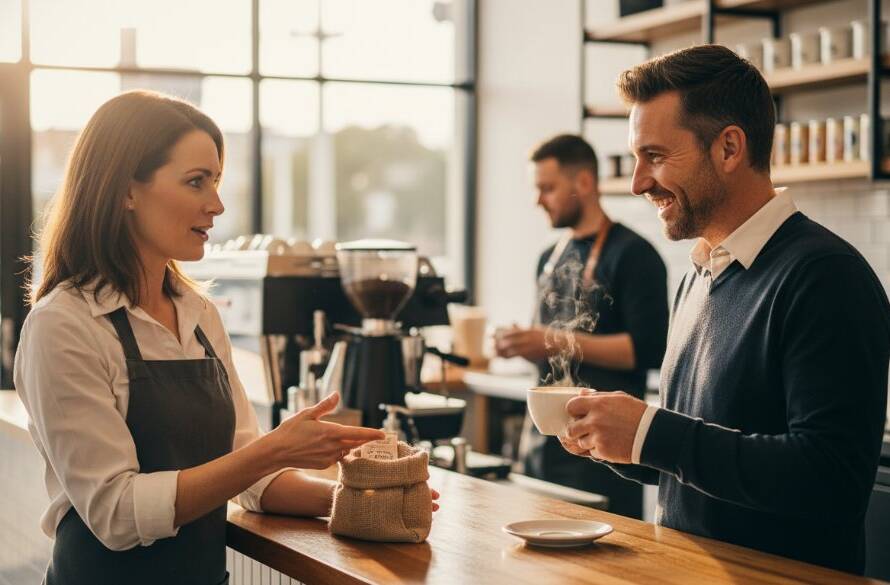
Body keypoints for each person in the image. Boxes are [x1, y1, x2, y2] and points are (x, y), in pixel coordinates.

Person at [14, 90, 438, 585]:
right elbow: (117, 515)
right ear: (125, 190)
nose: (216, 205)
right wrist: (275, 449)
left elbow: (249, 477)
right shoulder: (64, 324)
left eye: (216, 182)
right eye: (196, 182)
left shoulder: (198, 314)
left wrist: (363, 500)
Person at [560, 45, 890, 574]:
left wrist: (651, 433)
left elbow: (831, 480)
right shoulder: (699, 272)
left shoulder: (826, 276)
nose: (639, 181)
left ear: (729, 148)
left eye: (657, 156)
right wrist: (616, 437)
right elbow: (698, 460)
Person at [495, 134, 669, 519]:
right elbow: (546, 343)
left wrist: (554, 340)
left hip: (603, 454)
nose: (538, 200)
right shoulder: (548, 256)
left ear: (585, 183)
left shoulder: (634, 255)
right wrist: (520, 342)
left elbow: (648, 350)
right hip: (540, 448)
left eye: (548, 188)